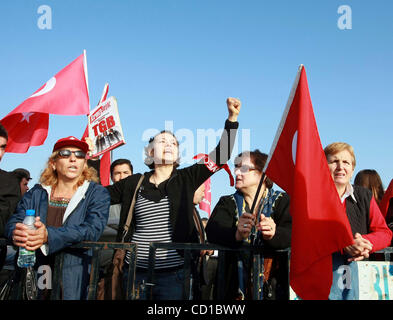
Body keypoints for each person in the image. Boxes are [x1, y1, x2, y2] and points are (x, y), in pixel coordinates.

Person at [107, 97, 241, 300]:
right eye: (162, 141)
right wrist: (89, 157)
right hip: (136, 275)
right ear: (150, 153)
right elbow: (98, 195)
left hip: (175, 276)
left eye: (174, 143)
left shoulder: (187, 178)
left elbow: (221, 156)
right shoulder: (133, 182)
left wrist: (232, 119)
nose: (169, 145)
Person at [5, 136, 110, 300]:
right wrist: (16, 232)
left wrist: (48, 236)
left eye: (80, 154)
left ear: (84, 164)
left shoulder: (96, 193)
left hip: (74, 275)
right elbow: (14, 220)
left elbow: (92, 229)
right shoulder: (37, 191)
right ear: (53, 163)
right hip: (36, 272)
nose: (73, 158)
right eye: (65, 153)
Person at [206, 150, 292, 300]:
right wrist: (236, 234)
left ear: (263, 174)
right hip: (232, 289)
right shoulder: (226, 202)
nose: (237, 172)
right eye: (236, 167)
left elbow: (294, 233)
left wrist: (274, 233)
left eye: (244, 168)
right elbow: (212, 230)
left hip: (273, 287)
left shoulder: (283, 200)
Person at [324, 142, 392, 299]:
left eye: (346, 162)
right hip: (321, 277)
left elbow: (384, 232)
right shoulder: (312, 197)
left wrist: (363, 243)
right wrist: (344, 242)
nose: (340, 166)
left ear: (352, 169)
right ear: (323, 166)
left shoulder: (364, 196)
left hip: (356, 279)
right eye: (334, 161)